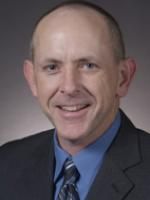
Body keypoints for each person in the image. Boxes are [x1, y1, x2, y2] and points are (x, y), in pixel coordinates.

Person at [0, 0, 150, 199]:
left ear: (123, 78)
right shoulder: (6, 162)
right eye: (52, 67)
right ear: (32, 79)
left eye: (88, 65)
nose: (69, 87)